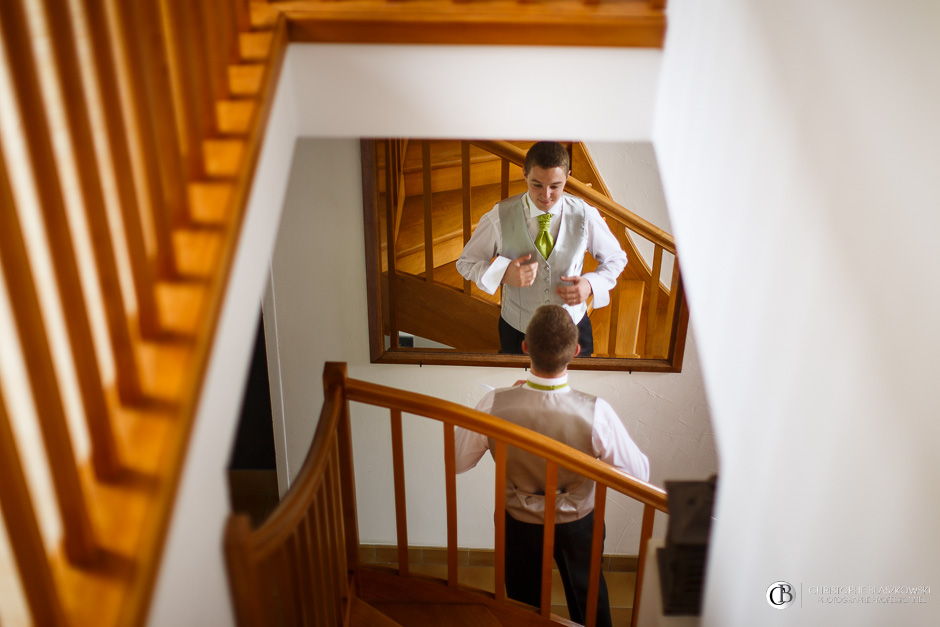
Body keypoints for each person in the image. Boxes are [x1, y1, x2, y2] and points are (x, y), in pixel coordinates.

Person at [454, 305, 650, 627]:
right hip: (578, 521)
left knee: (522, 607)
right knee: (589, 602)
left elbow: (458, 462)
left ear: (526, 347)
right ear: (575, 351)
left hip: (517, 520)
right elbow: (639, 475)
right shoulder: (595, 412)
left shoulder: (494, 404)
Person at [456, 141, 627, 356]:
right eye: (537, 184)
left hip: (572, 327)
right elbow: (466, 263)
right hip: (518, 331)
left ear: (568, 177)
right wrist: (503, 273)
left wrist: (590, 284)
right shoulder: (499, 217)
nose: (546, 195)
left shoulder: (585, 215)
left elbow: (616, 259)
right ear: (524, 175)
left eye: (555, 186)